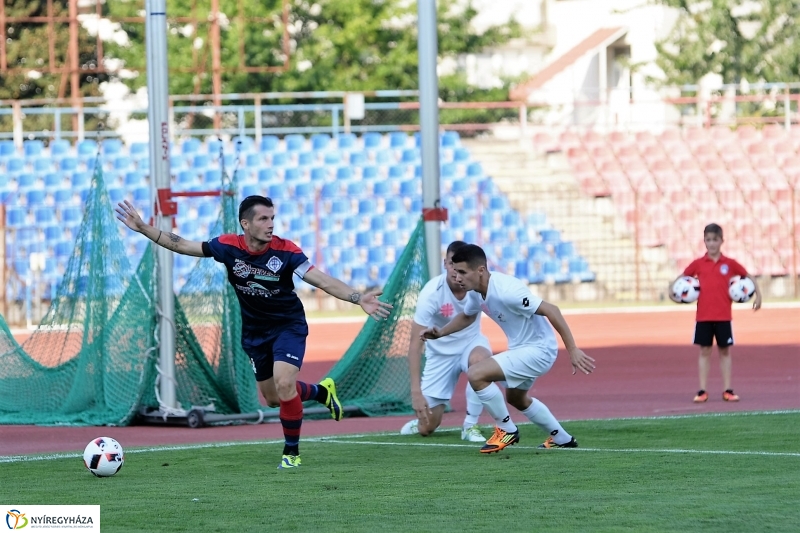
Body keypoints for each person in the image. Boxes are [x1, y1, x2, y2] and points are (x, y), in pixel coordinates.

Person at [115, 195, 392, 469]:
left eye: (272, 218)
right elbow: (184, 245)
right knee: (273, 398)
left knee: (285, 384)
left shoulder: (287, 251)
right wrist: (143, 228)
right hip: (255, 333)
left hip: (288, 327)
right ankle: (321, 393)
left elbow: (321, 280)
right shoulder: (227, 246)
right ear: (245, 224)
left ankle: (291, 453)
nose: (271, 224)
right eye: (263, 219)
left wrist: (357, 298)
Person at [421, 244, 595, 453]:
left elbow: (552, 309)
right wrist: (440, 333)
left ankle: (506, 429)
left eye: (462, 272)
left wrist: (573, 349)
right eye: (455, 271)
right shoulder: (476, 292)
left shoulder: (507, 291)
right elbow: (467, 316)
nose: (457, 278)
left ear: (481, 271)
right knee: (516, 398)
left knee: (477, 373)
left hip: (539, 350)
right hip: (522, 349)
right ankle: (563, 439)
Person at [399, 241, 491, 443]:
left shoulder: (477, 286)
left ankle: (470, 425)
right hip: (440, 354)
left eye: (460, 266)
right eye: (451, 263)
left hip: (471, 343)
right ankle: (421, 423)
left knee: (481, 362)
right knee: (427, 427)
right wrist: (415, 391)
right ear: (445, 263)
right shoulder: (431, 293)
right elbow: (415, 343)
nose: (455, 270)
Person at [668, 223, 761, 403]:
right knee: (705, 351)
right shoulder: (698, 264)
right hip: (703, 316)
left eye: (715, 240)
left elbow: (749, 276)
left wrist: (759, 295)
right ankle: (702, 390)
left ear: (721, 241)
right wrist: (673, 292)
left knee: (725, 352)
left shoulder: (730, 264)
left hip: (724, 316)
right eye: (708, 240)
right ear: (704, 241)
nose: (712, 244)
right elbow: (681, 279)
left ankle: (728, 389)